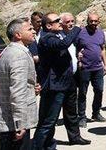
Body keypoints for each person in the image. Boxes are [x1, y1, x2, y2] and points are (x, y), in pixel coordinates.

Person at [32, 12, 90, 149]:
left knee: (71, 112)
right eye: (57, 20)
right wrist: (76, 28)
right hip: (55, 85)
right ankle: (39, 146)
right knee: (49, 120)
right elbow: (63, 44)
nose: (60, 22)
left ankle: (74, 137)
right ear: (48, 25)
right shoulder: (47, 38)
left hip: (67, 80)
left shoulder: (56, 35)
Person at [0, 19, 39, 150]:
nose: (34, 31)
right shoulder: (18, 55)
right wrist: (20, 123)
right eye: (29, 29)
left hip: (9, 120)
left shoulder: (8, 51)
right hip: (13, 123)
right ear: (18, 35)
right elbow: (17, 92)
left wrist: (31, 87)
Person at [75, 12, 106, 126]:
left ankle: (96, 113)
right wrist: (78, 60)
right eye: (91, 21)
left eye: (95, 21)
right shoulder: (80, 33)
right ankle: (82, 117)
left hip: (98, 68)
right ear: (87, 21)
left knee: (99, 91)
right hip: (85, 68)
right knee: (83, 93)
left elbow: (103, 49)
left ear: (99, 21)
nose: (93, 23)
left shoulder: (101, 33)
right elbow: (76, 48)